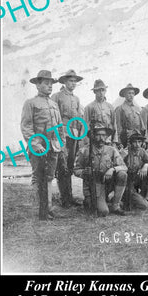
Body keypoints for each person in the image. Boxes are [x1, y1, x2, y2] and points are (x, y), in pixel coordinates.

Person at [21, 70, 65, 220]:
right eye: (46, 83)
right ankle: (40, 210)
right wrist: (34, 143)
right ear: (37, 85)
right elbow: (26, 126)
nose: (50, 86)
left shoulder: (53, 104)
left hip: (53, 147)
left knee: (49, 177)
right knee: (38, 177)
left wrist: (61, 144)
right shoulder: (30, 103)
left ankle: (48, 208)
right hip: (39, 147)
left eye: (51, 84)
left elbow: (59, 127)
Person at [73, 123, 128, 217]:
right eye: (98, 135)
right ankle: (91, 201)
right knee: (103, 212)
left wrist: (112, 169)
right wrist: (84, 172)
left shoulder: (111, 150)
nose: (101, 138)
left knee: (122, 174)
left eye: (103, 135)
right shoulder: (84, 151)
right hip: (93, 186)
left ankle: (115, 205)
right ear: (93, 136)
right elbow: (76, 170)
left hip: (108, 183)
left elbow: (124, 167)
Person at [51, 69, 84, 208]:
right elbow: (53, 117)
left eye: (75, 81)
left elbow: (78, 118)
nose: (73, 83)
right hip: (62, 133)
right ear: (64, 82)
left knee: (70, 166)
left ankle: (69, 197)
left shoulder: (76, 99)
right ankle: (64, 199)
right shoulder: (56, 96)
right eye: (70, 80)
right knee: (62, 165)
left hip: (74, 134)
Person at [124, 129, 148, 212]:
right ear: (130, 143)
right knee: (144, 206)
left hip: (138, 180)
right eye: (135, 142)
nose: (137, 145)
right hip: (127, 184)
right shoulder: (125, 152)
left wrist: (146, 165)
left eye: (139, 142)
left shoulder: (142, 151)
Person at [83, 79, 118, 146]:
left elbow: (114, 124)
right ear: (94, 92)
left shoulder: (110, 107)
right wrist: (86, 142)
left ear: (105, 91)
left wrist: (114, 141)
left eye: (103, 90)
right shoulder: (89, 107)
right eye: (98, 90)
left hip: (108, 139)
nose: (101, 93)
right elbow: (85, 126)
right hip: (95, 140)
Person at [115, 83, 145, 149]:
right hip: (126, 138)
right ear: (125, 95)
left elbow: (142, 126)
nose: (131, 95)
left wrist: (143, 140)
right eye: (129, 93)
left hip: (137, 138)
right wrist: (119, 142)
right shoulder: (120, 109)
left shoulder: (137, 109)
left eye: (133, 93)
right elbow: (118, 127)